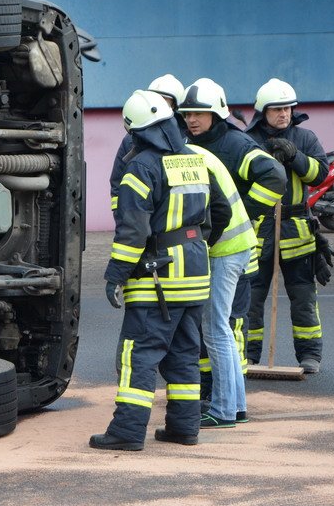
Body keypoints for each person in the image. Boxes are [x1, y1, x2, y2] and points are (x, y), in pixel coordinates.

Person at [91, 90, 229, 451]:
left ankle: (126, 432)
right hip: (196, 274)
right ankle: (185, 428)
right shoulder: (195, 161)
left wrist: (116, 274)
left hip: (158, 279)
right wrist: (195, 244)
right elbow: (220, 211)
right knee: (185, 354)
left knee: (138, 354)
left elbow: (133, 231)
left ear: (135, 131)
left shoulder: (141, 166)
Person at [178, 78, 286, 427]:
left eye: (200, 113)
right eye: (188, 113)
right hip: (229, 247)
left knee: (217, 330)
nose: (192, 120)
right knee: (220, 329)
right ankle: (235, 406)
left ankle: (224, 410)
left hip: (229, 249)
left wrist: (249, 210)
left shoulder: (235, 143)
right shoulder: (193, 144)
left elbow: (276, 177)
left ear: (217, 114)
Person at [245, 79, 330, 374]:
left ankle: (309, 355)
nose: (284, 114)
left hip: (296, 228)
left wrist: (295, 156)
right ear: (263, 112)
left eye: (288, 108)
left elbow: (321, 175)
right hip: (259, 229)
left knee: (303, 296)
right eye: (277, 109)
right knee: (251, 298)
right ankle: (249, 354)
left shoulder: (305, 137)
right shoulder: (248, 140)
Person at [109, 74, 186, 221]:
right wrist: (122, 217)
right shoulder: (130, 139)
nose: (156, 103)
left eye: (164, 99)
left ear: (175, 105)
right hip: (140, 221)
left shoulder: (187, 138)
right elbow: (118, 181)